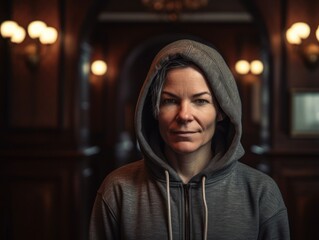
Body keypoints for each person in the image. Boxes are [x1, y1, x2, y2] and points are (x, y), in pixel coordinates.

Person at [89, 39, 290, 240]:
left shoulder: (260, 191)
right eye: (170, 101)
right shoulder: (118, 189)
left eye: (200, 101)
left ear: (221, 111)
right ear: (155, 110)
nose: (184, 115)